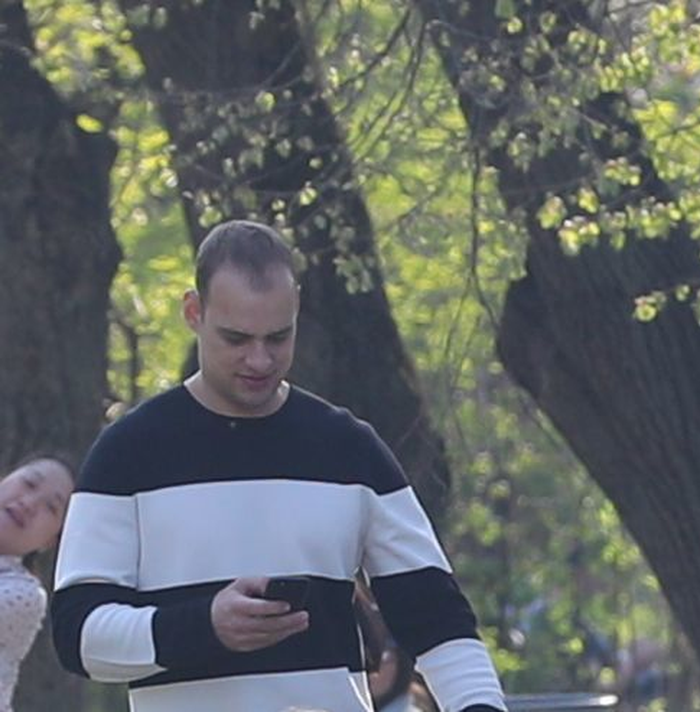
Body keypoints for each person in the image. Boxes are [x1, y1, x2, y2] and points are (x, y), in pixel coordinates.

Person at [51, 220, 506, 712]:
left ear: (297, 311)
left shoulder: (350, 448)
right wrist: (204, 625)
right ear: (194, 312)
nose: (260, 360)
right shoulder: (128, 451)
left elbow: (437, 616)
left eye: (278, 337)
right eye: (236, 338)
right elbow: (78, 636)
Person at [0, 454, 75, 712]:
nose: (29, 504)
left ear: (50, 541)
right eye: (29, 483)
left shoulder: (23, 596)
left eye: (51, 508)